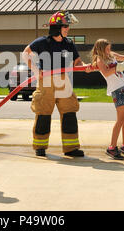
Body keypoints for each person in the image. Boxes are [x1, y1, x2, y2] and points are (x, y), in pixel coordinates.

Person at [22, 11, 87, 157]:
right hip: (46, 82)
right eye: (65, 26)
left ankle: (71, 148)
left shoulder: (69, 43)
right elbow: (25, 53)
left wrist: (85, 66)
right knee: (44, 113)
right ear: (57, 27)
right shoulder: (42, 42)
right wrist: (35, 70)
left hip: (63, 81)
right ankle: (40, 147)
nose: (67, 28)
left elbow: (77, 62)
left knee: (70, 112)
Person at [87, 39, 124, 160]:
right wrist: (118, 68)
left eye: (109, 48)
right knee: (121, 119)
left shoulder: (111, 55)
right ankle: (112, 147)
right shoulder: (99, 59)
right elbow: (105, 73)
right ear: (100, 49)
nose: (109, 51)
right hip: (117, 89)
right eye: (107, 49)